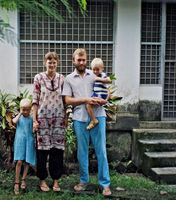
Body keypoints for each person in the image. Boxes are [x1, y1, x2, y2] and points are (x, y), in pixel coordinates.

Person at [62, 48, 111, 196]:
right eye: (79, 60)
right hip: (79, 119)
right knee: (82, 152)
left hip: (98, 117)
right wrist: (85, 100)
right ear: (73, 60)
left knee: (101, 150)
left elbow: (107, 88)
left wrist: (104, 100)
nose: (82, 62)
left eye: (84, 60)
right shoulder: (69, 78)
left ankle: (105, 184)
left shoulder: (94, 75)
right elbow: (67, 100)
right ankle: (83, 181)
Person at [32, 52, 66, 192]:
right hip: (43, 120)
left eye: (54, 62)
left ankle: (56, 180)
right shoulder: (38, 78)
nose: (52, 65)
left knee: (57, 151)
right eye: (49, 62)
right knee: (42, 151)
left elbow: (65, 100)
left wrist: (66, 118)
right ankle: (42, 180)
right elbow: (35, 100)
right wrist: (34, 120)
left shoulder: (61, 78)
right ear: (44, 63)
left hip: (58, 120)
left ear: (57, 63)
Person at [12, 98, 36, 195]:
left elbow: (34, 127)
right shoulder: (19, 117)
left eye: (27, 109)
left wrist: (35, 127)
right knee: (19, 161)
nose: (25, 112)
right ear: (21, 109)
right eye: (23, 109)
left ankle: (23, 179)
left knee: (27, 161)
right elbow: (14, 122)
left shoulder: (31, 118)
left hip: (29, 141)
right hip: (20, 141)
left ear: (30, 109)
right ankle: (16, 182)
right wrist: (20, 113)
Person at [86, 58, 111, 130]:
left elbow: (109, 80)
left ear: (102, 68)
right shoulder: (92, 75)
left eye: (97, 69)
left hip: (101, 96)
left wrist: (99, 79)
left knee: (88, 105)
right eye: (93, 69)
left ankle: (93, 120)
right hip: (97, 95)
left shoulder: (102, 75)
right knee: (88, 104)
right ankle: (93, 120)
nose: (95, 71)